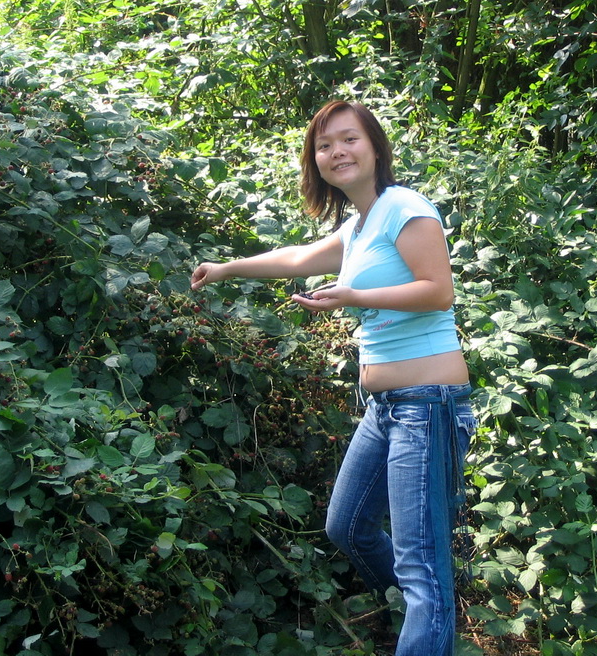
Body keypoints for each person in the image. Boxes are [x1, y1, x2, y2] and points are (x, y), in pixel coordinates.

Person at [190, 100, 476, 656]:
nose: (336, 152)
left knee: (423, 569)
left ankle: (429, 613)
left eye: (349, 140)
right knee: (346, 527)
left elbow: (437, 290)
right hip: (387, 409)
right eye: (324, 145)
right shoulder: (360, 225)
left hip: (428, 403)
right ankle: (426, 618)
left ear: (374, 147)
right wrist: (227, 268)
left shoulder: (405, 207)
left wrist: (354, 297)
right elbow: (298, 258)